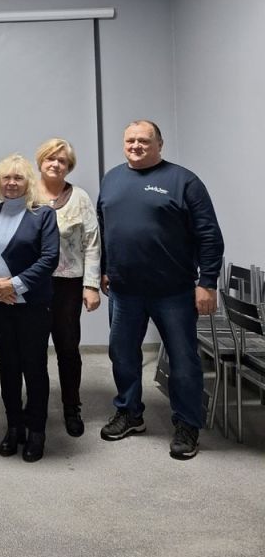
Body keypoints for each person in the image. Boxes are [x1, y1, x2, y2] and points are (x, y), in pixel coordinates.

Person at [97, 120, 224, 460]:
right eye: (130, 140)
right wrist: (105, 268)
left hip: (173, 291)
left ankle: (187, 424)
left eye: (144, 140)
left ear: (159, 144)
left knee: (183, 361)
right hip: (124, 291)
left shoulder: (184, 181)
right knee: (122, 355)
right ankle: (129, 413)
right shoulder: (111, 179)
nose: (135, 146)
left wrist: (208, 282)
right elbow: (104, 228)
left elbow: (209, 234)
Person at [0, 154, 60, 463]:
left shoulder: (43, 214)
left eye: (18, 178)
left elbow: (49, 258)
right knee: (7, 366)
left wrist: (14, 285)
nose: (11, 183)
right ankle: (14, 427)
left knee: (34, 367)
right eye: (6, 178)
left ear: (28, 182)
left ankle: (36, 430)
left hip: (32, 305)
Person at [35, 138, 101, 437]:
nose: (55, 164)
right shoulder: (26, 194)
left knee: (68, 349)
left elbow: (92, 244)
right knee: (33, 350)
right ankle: (36, 406)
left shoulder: (80, 198)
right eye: (50, 158)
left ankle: (71, 407)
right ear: (40, 161)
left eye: (62, 160)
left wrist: (91, 285)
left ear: (69, 166)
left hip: (68, 286)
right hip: (33, 285)